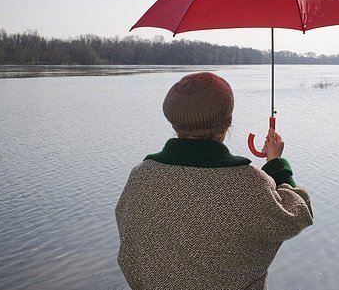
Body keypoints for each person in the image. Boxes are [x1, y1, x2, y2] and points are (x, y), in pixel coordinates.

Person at [115, 72, 313, 290]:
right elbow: (296, 215)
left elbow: (130, 246)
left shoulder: (141, 177)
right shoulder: (248, 184)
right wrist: (277, 165)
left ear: (174, 123)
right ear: (227, 122)